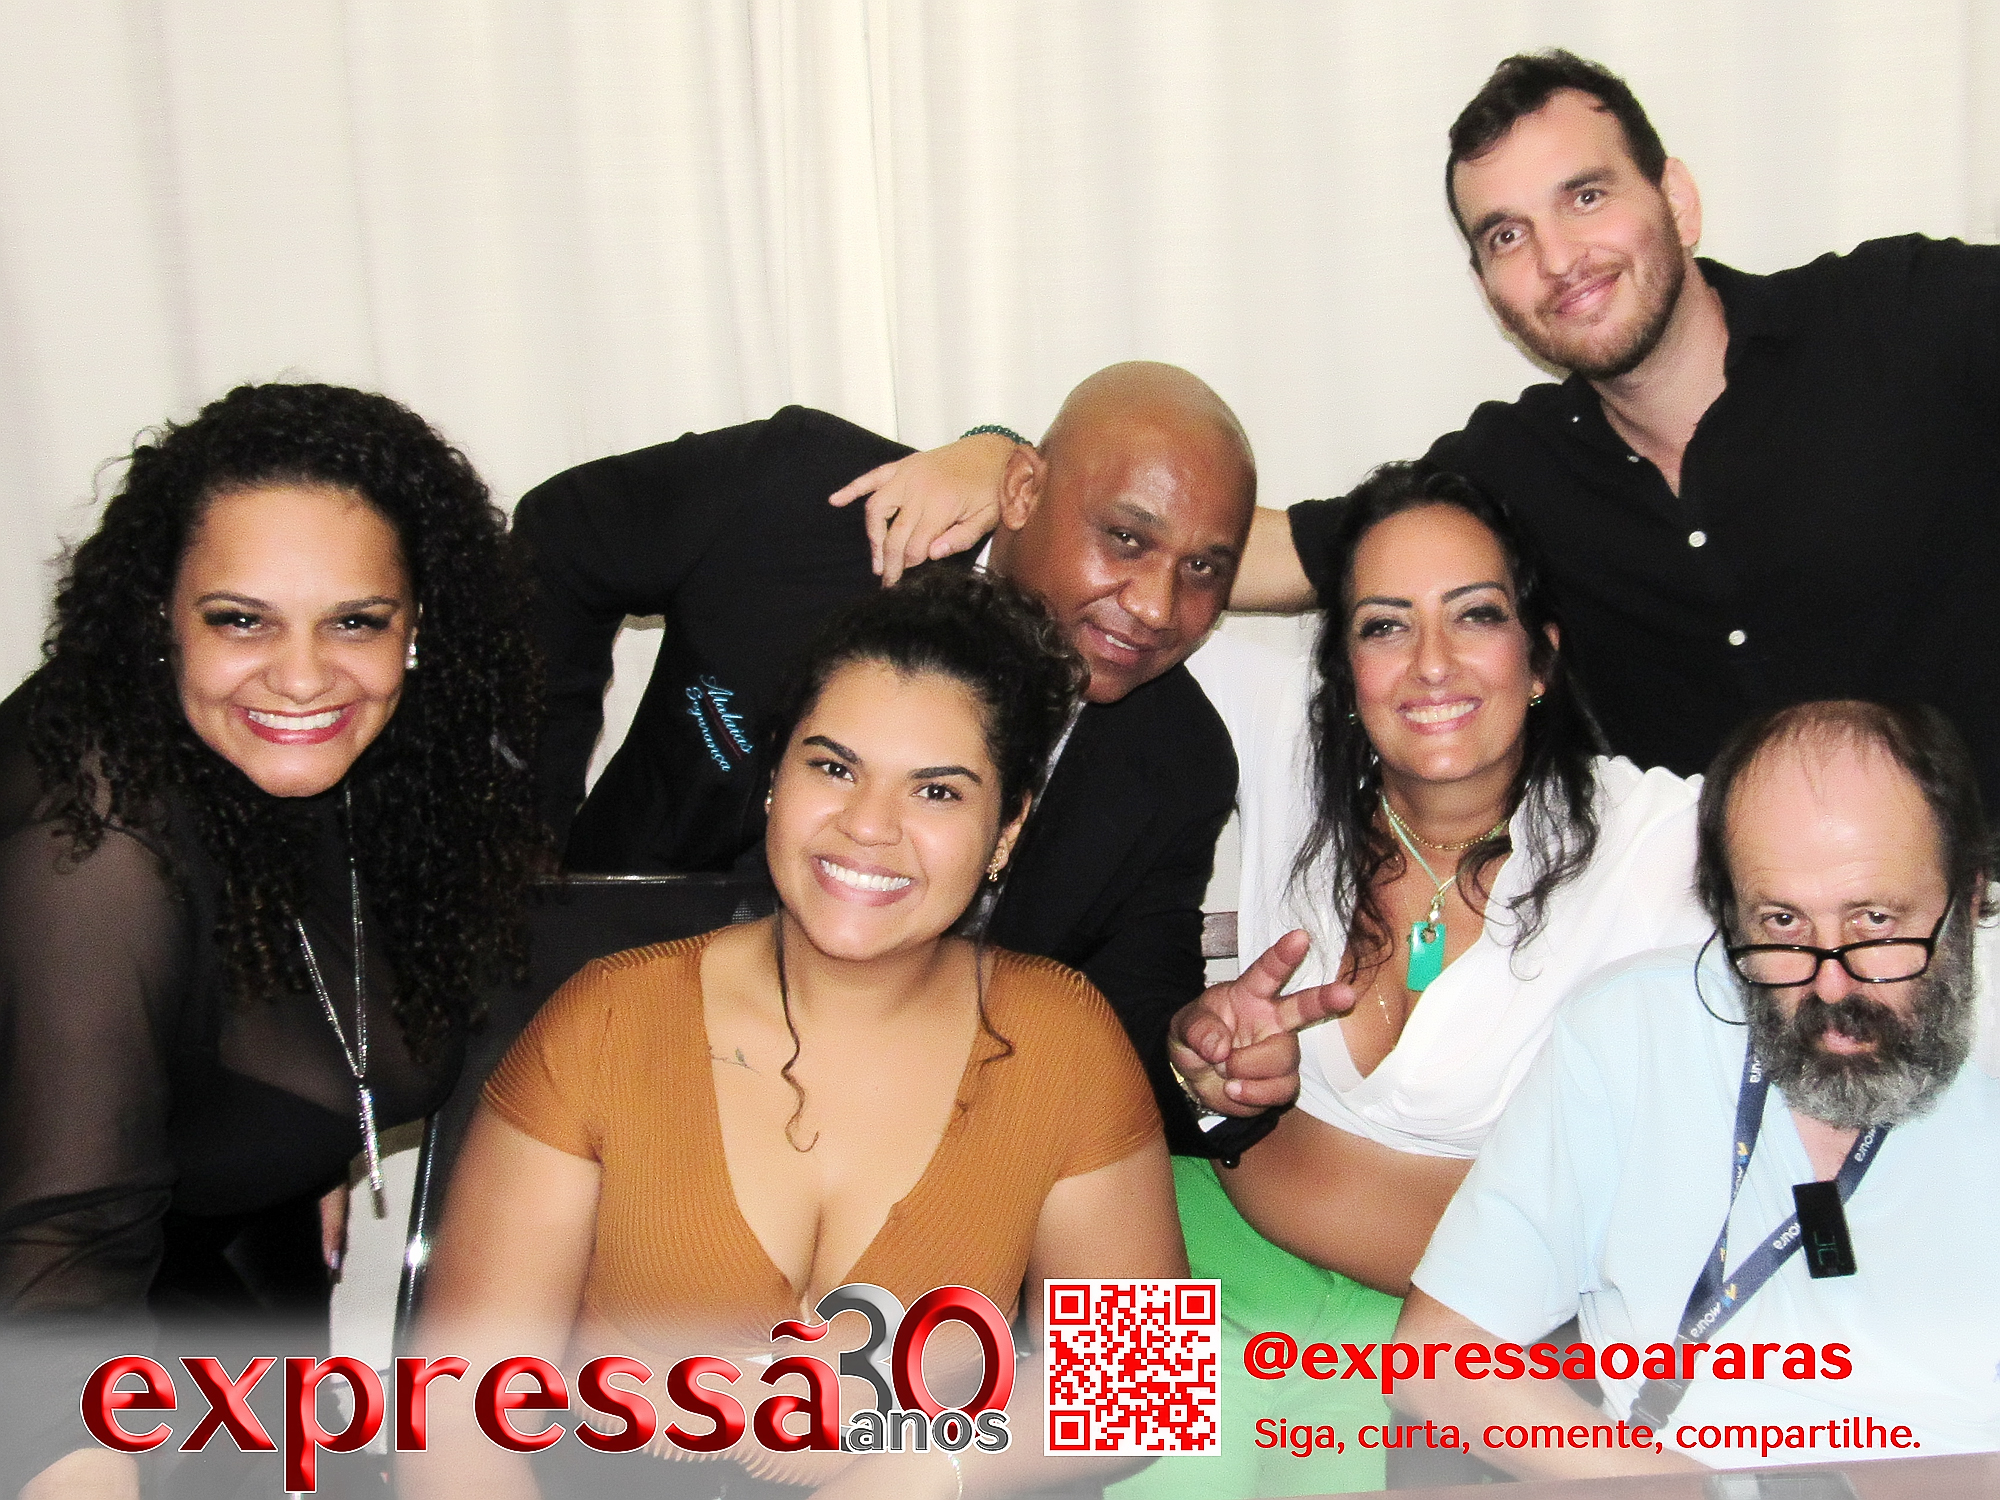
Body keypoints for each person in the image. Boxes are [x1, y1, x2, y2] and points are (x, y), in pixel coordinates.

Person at [833, 50, 2000, 805]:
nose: (1556, 258)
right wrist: (1005, 461)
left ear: (1675, 200)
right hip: (1725, 963)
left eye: (1585, 196)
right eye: (1504, 235)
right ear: (1487, 286)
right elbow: (1244, 549)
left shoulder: (1906, 322)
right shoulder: (1512, 473)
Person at [405, 571, 1186, 1499]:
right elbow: (457, 1423)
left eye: (937, 792)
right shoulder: (610, 1020)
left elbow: (1142, 1394)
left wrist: (920, 1469)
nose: (869, 827)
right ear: (776, 779)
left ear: (1007, 829)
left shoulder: (1061, 1042)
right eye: (834, 767)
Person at [1103, 465, 1709, 1498]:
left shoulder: (1653, 846)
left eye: (1474, 615)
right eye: (1384, 625)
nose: (1430, 663)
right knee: (1111, 1472)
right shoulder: (1283, 737)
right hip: (1176, 1242)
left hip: (1424, 1339)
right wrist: (993, 457)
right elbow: (1099, 583)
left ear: (1539, 658)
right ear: (1342, 671)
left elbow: (1867, 867)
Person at [515, 361, 1292, 1157]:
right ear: (1022, 490)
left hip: (893, 1159)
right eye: (1126, 539)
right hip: (600, 1046)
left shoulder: (1176, 762)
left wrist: (1200, 1068)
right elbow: (561, 538)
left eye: (1204, 568)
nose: (1156, 607)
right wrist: (515, 844)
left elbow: (1130, 1032)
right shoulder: (808, 503)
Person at [0, 383, 545, 1498]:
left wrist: (287, 1131)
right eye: (240, 620)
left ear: (417, 624)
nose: (301, 677)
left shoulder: (393, 765)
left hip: (203, 1286)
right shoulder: (90, 839)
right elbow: (56, 1281)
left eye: (355, 621)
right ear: (160, 616)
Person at [1396, 700, 2000, 1477]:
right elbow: (1440, 1356)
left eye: (1876, 920)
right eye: (1781, 923)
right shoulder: (1633, 1031)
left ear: (1969, 896)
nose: (1830, 983)